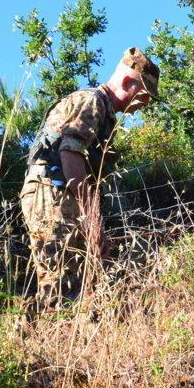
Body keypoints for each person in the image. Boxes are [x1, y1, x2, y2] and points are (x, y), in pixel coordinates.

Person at [20, 47, 160, 307]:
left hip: (60, 193)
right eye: (144, 94)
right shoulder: (92, 101)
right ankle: (53, 338)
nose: (145, 103)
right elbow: (70, 155)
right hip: (52, 193)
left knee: (77, 276)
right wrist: (92, 218)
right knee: (60, 279)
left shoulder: (104, 112)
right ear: (127, 81)